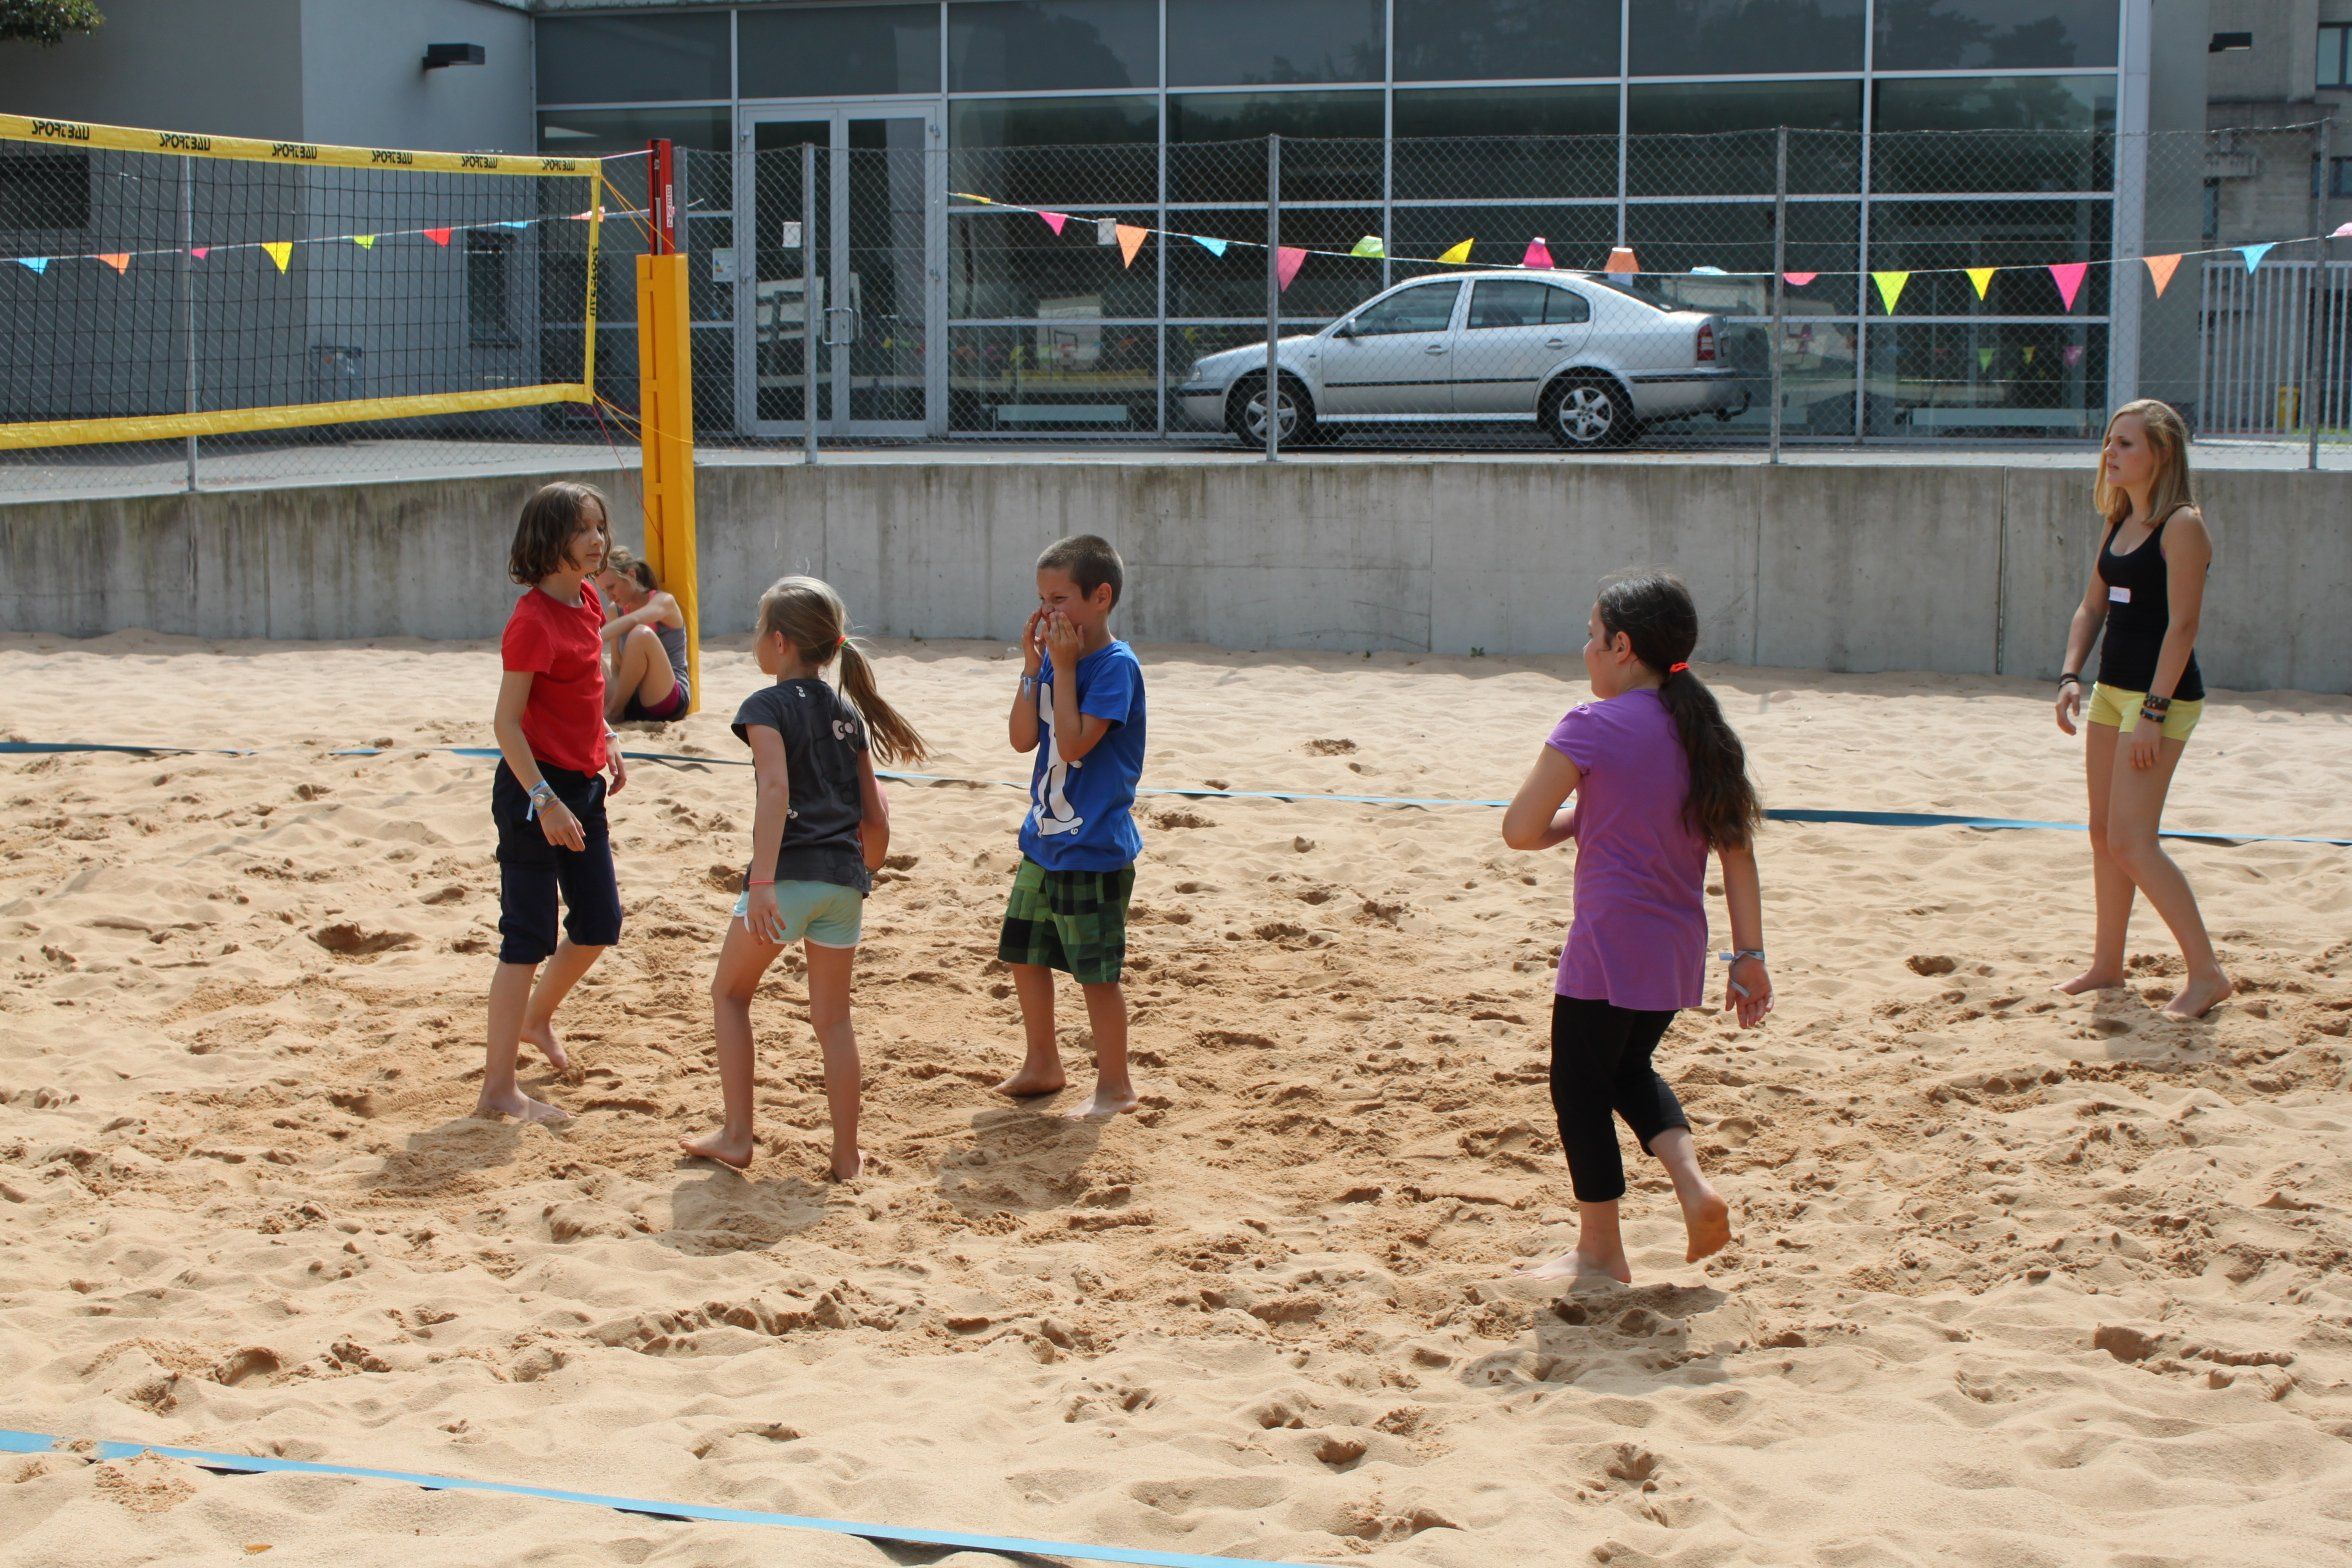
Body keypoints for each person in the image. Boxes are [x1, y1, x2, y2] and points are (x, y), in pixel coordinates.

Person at [1499, 573, 1772, 1285]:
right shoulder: (1706, 732)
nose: (1585, 649)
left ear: (1623, 646)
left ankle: (1600, 1251)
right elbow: (1738, 857)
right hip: (1678, 949)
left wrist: (1577, 820)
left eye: (1593, 636)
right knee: (1626, 1069)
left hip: (1607, 944)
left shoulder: (1590, 726)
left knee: (1578, 1088)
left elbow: (1520, 830)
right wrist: (1749, 957)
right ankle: (1693, 1189)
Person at [680, 576, 927, 1180]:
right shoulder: (847, 712)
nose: (755, 640)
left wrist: (761, 882)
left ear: (780, 642)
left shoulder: (765, 707)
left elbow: (775, 789)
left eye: (758, 629)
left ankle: (737, 1135)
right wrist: (865, 870)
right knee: (834, 1021)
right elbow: (876, 815)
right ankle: (846, 1156)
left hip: (786, 877)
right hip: (844, 881)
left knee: (730, 995)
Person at [2053, 399, 2231, 1019]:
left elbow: (2183, 627)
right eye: (2109, 440)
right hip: (2111, 692)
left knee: (2133, 841)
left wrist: (2153, 714)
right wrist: (2070, 675)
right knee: (2103, 834)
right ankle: (2107, 965)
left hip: (2162, 697)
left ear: (2161, 452)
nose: (2110, 452)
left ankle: (2207, 974)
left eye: (2126, 443)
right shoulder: (2118, 518)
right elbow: (2091, 607)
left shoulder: (2182, 526)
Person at [482, 481, 627, 1125]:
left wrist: (607, 735)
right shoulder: (532, 621)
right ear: (548, 539)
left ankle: (536, 1019)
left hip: (582, 785)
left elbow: (585, 689)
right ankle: (498, 1091)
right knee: (527, 938)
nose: (597, 540)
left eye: (600, 527)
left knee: (598, 923)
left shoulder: (588, 597)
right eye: (582, 529)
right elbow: (506, 723)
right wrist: (543, 799)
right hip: (532, 791)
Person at [996, 535, 1148, 1120]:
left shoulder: (1115, 667)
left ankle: (1116, 1085)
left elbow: (1077, 741)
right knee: (1024, 952)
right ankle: (1043, 1062)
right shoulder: (1055, 664)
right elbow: (1022, 739)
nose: (1047, 612)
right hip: (1044, 840)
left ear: (1100, 597)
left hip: (1094, 847)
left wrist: (1061, 669)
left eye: (1059, 599)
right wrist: (1032, 668)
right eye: (1042, 599)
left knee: (1095, 973)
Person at [596, 547, 691, 723]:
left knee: (640, 634)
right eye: (604, 591)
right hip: (631, 698)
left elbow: (636, 619)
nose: (609, 596)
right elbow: (616, 666)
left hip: (665, 697)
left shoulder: (664, 601)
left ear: (631, 574)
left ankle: (614, 711)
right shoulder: (615, 610)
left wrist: (594, 637)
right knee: (595, 660)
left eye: (611, 587)